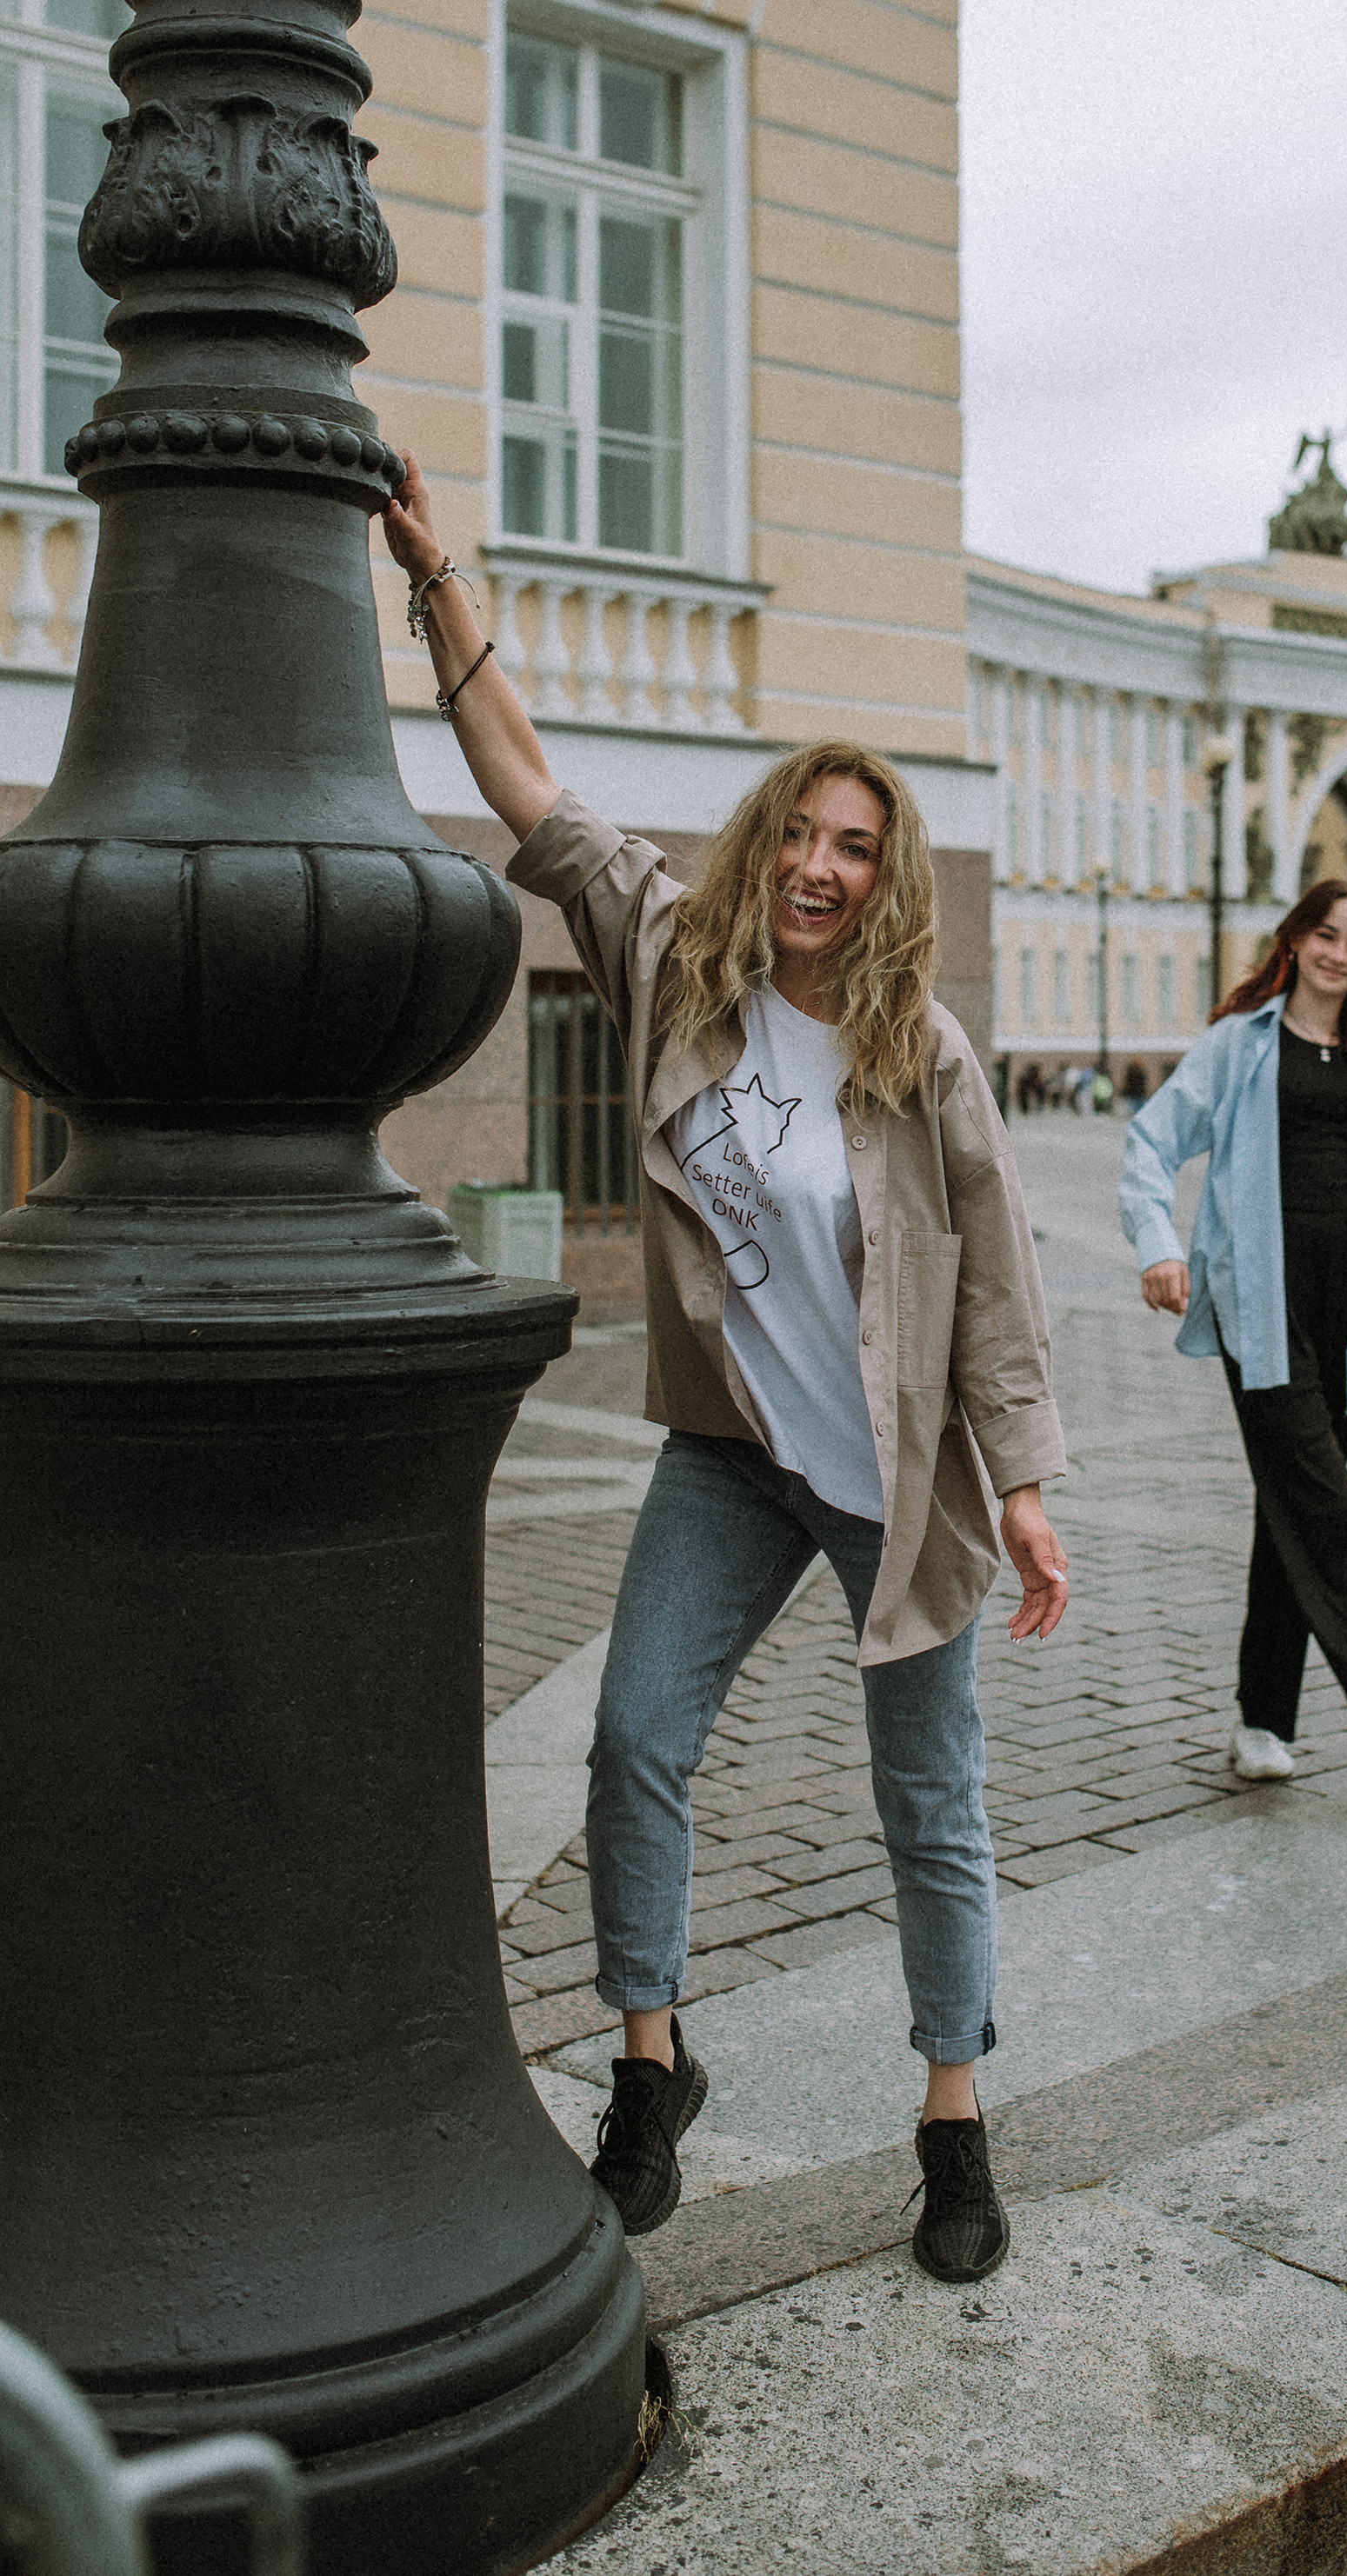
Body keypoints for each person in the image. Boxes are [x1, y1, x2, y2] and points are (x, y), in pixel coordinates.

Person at [380, 456, 1068, 2284]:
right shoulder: (679, 961)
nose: (822, 869)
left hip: (895, 1486)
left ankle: (952, 2122)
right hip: (730, 1456)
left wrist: (1021, 1486)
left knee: (929, 1799)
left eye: (857, 847)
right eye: (801, 836)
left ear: (886, 871)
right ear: (763, 841)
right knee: (632, 1739)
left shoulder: (924, 1060)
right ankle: (652, 2066)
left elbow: (993, 1283)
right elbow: (530, 790)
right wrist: (444, 590)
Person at [1116, 878, 1347, 1827]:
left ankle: (1261, 1720)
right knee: (1329, 1512)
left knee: (1295, 1499)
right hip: (1261, 1298)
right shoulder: (1241, 1044)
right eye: (1324, 935)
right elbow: (1151, 1140)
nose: (1337, 953)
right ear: (1295, 941)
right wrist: (1160, 1244)